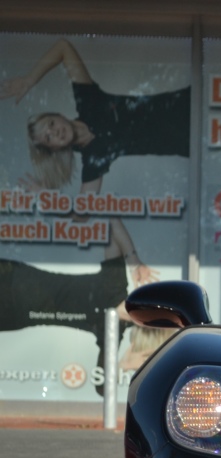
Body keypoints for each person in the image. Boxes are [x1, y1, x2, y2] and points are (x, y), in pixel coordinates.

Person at [1, 38, 189, 194]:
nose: (56, 132)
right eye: (48, 137)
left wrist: (28, 80)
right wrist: (47, 198)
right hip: (187, 141)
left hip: (186, 103)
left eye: (51, 123)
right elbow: (82, 215)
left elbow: (63, 47)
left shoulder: (89, 101)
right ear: (55, 149)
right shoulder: (94, 158)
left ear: (59, 115)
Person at [0, 217, 169, 391]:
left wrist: (122, 366)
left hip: (13, 314)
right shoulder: (114, 285)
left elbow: (101, 386)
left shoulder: (111, 332)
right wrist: (134, 262)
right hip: (13, 279)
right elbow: (112, 223)